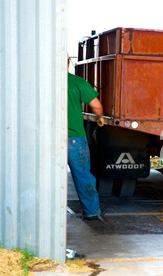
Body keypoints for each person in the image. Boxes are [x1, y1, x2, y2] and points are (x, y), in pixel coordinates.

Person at [67, 59, 105, 221]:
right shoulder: (76, 82)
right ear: (68, 61)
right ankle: (91, 212)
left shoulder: (40, 82)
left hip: (47, 138)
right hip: (74, 137)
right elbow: (95, 104)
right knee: (83, 175)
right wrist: (100, 117)